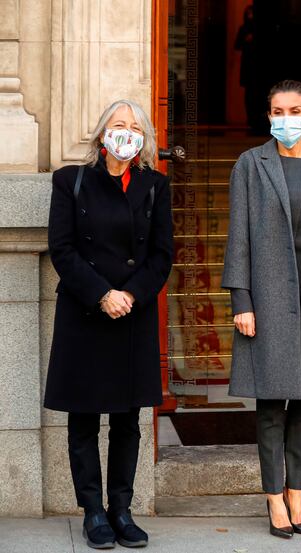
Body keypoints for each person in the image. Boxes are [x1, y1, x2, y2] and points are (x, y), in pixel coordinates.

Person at [221, 80, 301, 539]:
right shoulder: (250, 164)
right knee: (271, 403)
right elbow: (238, 235)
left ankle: (298, 493)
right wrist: (242, 299)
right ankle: (274, 498)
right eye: (278, 110)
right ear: (269, 115)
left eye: (294, 110)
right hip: (269, 298)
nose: (286, 118)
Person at [44, 99, 173, 549]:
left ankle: (122, 509)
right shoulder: (70, 181)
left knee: (127, 420)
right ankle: (93, 512)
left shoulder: (155, 185)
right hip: (85, 309)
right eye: (118, 125)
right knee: (83, 420)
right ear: (102, 134)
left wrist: (131, 294)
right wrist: (102, 294)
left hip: (132, 313)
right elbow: (62, 249)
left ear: (144, 139)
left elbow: (162, 255)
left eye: (134, 127)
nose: (126, 132)